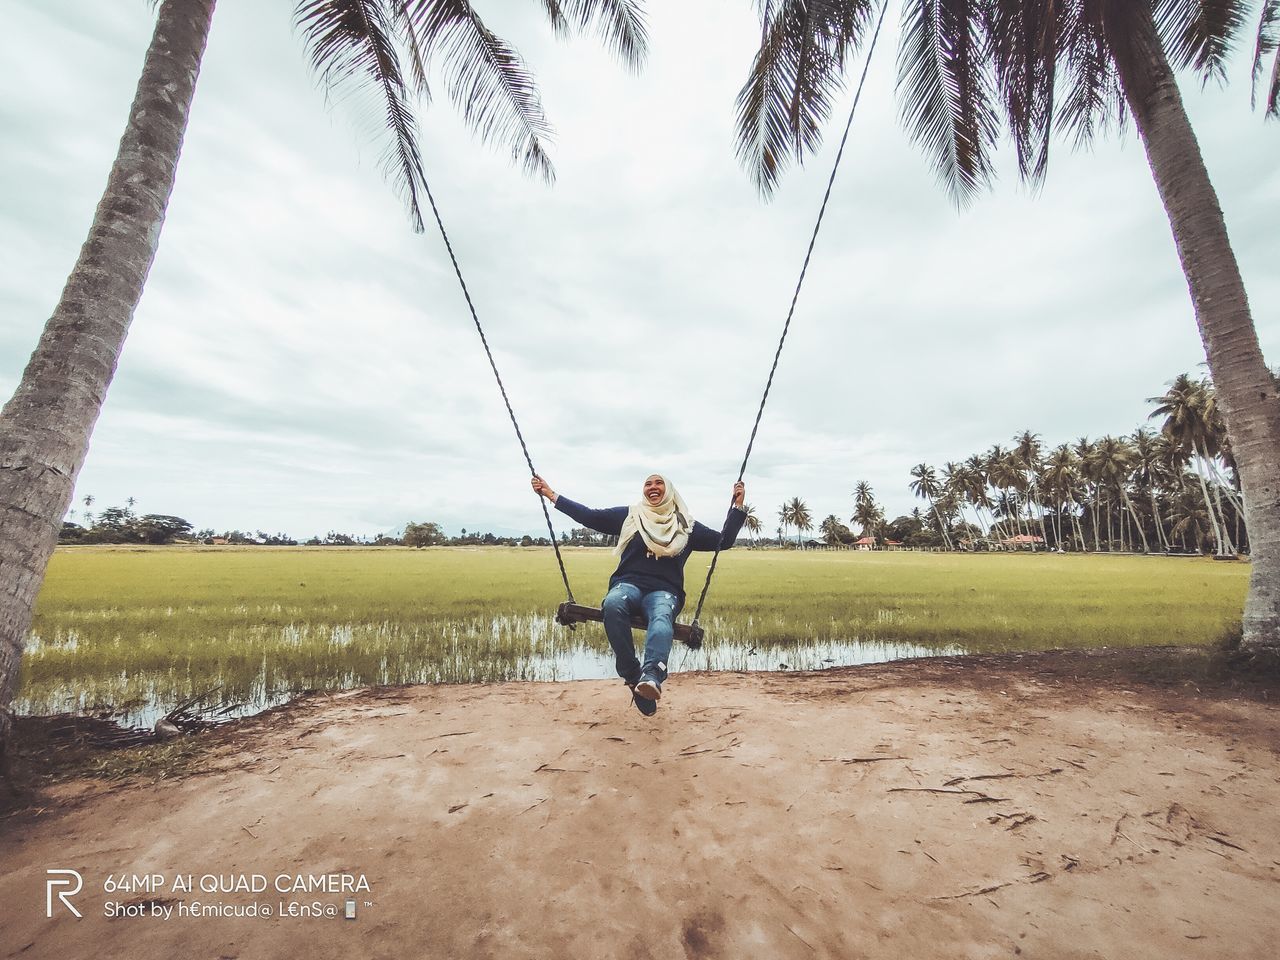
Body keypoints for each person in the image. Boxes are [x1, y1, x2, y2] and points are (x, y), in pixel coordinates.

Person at [531, 473, 747, 716]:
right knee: (612, 604)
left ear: (669, 490)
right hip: (627, 585)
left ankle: (652, 674)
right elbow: (590, 516)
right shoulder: (631, 516)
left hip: (665, 591)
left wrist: (737, 506)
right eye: (648, 484)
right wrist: (551, 495)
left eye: (658, 483)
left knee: (662, 615)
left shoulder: (687, 525)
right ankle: (633, 674)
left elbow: (723, 541)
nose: (652, 488)